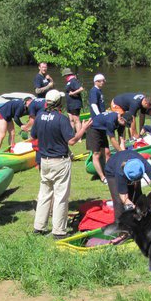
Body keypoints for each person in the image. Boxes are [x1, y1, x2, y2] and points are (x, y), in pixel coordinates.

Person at [31, 89, 91, 239]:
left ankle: (39, 227)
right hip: (59, 161)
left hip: (44, 160)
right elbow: (71, 141)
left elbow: (33, 135)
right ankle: (58, 231)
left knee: (44, 194)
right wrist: (82, 129)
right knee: (60, 196)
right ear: (59, 103)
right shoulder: (61, 119)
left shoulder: (39, 116)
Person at [104, 149, 151, 218]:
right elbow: (124, 198)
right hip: (111, 171)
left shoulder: (142, 164)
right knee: (119, 202)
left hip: (130, 161)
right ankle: (120, 224)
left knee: (136, 194)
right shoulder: (120, 173)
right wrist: (134, 208)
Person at [86, 111, 130, 183]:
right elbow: (112, 140)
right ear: (121, 118)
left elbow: (121, 139)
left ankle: (109, 174)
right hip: (93, 129)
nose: (125, 125)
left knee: (107, 153)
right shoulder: (111, 121)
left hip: (102, 130)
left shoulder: (122, 123)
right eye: (125, 123)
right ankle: (103, 178)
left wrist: (123, 153)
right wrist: (120, 152)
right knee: (96, 154)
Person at [63, 68, 84, 133]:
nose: (64, 77)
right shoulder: (69, 82)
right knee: (71, 119)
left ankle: (79, 136)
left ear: (67, 75)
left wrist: (73, 93)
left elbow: (81, 89)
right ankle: (72, 134)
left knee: (76, 120)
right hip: (69, 104)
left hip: (75, 103)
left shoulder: (73, 81)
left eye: (64, 76)